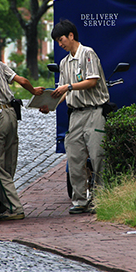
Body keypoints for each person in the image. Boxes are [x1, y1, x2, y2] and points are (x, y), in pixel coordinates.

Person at [40, 19, 109, 214]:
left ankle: (101, 199)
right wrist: (50, 106)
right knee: (74, 157)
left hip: (95, 111)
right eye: (56, 41)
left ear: (71, 36)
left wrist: (69, 86)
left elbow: (92, 81)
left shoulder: (88, 53)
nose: (59, 44)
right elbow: (62, 92)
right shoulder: (64, 63)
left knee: (98, 156)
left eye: (61, 39)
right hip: (75, 115)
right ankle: (80, 200)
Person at [0, 59, 44, 221]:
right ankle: (5, 203)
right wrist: (34, 91)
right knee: (8, 163)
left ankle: (14, 208)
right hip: (11, 114)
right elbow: (23, 80)